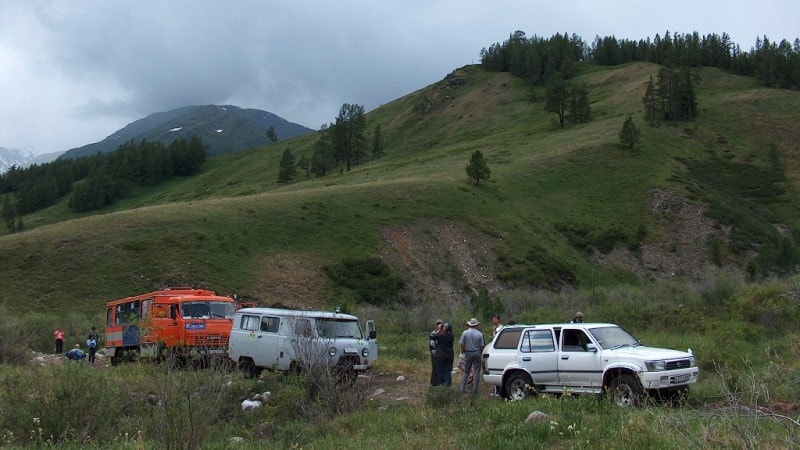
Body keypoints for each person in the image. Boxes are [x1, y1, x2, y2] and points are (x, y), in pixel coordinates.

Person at [459, 318, 485, 394]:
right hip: (477, 352)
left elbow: (461, 344)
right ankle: (475, 389)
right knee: (477, 371)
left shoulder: (465, 333)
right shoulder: (480, 334)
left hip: (468, 352)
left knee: (466, 371)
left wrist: (464, 350)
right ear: (476, 325)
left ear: (470, 324)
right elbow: (482, 346)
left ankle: (462, 388)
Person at [490, 315, 503, 397]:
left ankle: (498, 390)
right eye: (493, 318)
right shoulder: (494, 328)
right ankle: (496, 389)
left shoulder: (500, 328)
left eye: (495, 319)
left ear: (499, 320)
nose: (494, 320)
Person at [429, 319, 443, 386]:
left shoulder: (443, 333)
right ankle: (433, 383)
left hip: (441, 353)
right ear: (436, 325)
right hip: (435, 354)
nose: (439, 325)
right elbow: (432, 345)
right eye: (438, 324)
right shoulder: (433, 333)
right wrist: (434, 354)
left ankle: (439, 382)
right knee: (435, 368)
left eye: (440, 324)